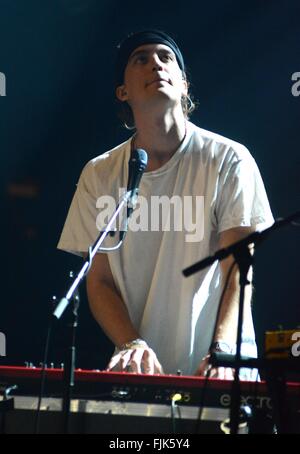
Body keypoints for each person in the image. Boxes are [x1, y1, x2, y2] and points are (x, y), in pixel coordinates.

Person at [57, 30, 274, 378]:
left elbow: (238, 270)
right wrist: (132, 344)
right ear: (122, 92)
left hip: (224, 371)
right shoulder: (100, 174)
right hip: (140, 372)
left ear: (184, 85)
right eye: (141, 59)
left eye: (165, 57)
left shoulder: (229, 160)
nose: (155, 64)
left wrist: (222, 351)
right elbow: (99, 281)